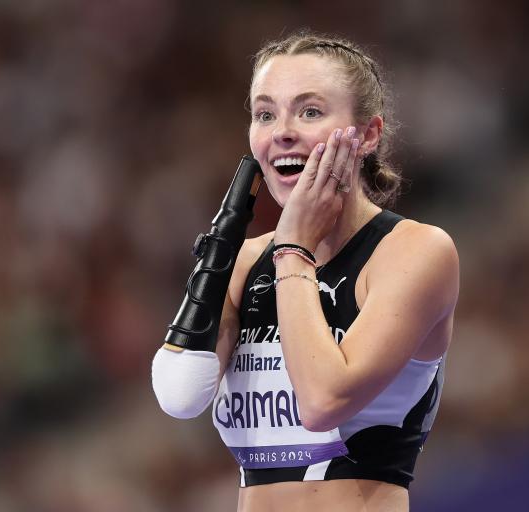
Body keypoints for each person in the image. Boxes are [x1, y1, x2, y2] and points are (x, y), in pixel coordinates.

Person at [152, 31, 459, 512]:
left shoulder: (415, 251)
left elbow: (321, 401)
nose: (282, 131)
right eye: (265, 113)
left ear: (368, 134)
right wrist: (220, 254)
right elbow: (180, 395)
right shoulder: (246, 260)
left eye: (310, 111)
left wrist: (294, 246)